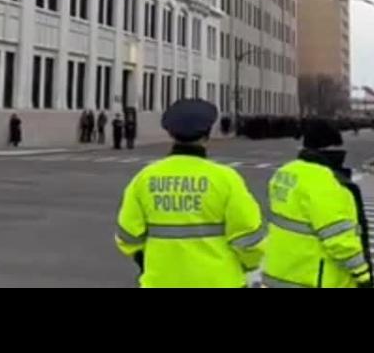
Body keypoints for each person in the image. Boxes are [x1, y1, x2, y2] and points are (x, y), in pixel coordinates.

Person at [114, 98, 266, 288]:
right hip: (218, 281)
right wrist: (248, 266)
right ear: (207, 134)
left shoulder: (145, 179)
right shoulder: (226, 179)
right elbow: (250, 239)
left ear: (170, 133)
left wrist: (148, 261)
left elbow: (127, 236)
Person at [262, 123, 373, 289]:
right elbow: (340, 239)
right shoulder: (327, 183)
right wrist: (363, 276)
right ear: (330, 148)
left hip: (277, 276)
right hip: (315, 279)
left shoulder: (284, 173)